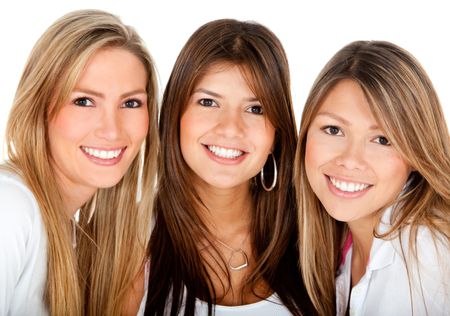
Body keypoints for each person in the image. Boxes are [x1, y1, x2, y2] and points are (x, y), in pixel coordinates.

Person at [140, 19, 315, 315]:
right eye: (208, 102)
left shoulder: (315, 236)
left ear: (276, 133)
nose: (231, 128)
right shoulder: (130, 240)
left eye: (255, 109)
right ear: (175, 115)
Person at [0, 9, 158, 315]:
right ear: (39, 107)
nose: (112, 130)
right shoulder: (10, 207)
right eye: (84, 101)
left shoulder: (75, 233)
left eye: (131, 103)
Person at [295, 40, 450, 315]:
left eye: (381, 139)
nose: (351, 159)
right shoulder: (342, 242)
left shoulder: (429, 260)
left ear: (417, 154)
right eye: (333, 130)